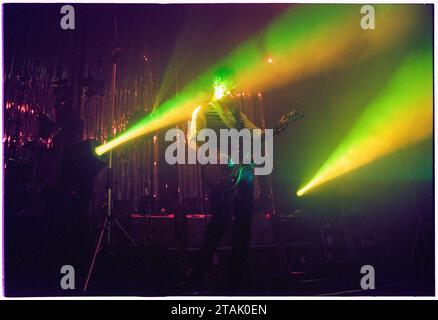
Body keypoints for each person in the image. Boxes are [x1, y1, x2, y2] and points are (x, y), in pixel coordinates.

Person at [186, 66, 260, 289]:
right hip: (220, 173)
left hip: (242, 173)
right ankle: (198, 272)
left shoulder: (239, 115)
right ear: (218, 84)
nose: (233, 89)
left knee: (244, 223)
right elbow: (193, 141)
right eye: (229, 84)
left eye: (234, 85)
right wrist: (216, 157)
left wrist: (278, 129)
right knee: (220, 221)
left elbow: (257, 134)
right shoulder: (203, 111)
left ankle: (237, 276)